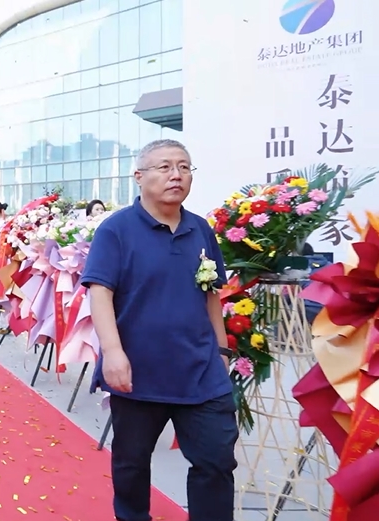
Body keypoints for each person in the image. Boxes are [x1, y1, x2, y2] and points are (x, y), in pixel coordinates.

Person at [81, 139, 236, 521]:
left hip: (201, 370)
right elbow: (100, 293)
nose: (176, 175)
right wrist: (113, 352)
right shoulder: (116, 230)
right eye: (165, 167)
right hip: (138, 371)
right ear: (139, 176)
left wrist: (221, 350)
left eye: (184, 167)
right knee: (132, 463)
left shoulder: (200, 229)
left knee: (216, 461)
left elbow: (211, 293)